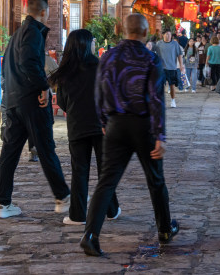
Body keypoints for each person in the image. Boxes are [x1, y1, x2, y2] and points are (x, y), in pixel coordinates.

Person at [80, 14, 178, 257]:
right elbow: (156, 100)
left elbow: (99, 91)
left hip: (115, 124)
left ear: (123, 31)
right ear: (146, 34)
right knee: (155, 180)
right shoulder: (150, 58)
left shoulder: (109, 57)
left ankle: (90, 236)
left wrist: (104, 120)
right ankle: (164, 230)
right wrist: (160, 135)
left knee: (106, 182)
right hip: (143, 125)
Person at [0, 0, 70, 219]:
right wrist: (43, 87)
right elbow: (28, 62)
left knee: (9, 152)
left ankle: (2, 203)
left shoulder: (17, 34)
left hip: (13, 101)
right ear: (44, 12)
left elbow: (9, 67)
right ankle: (62, 197)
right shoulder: (33, 33)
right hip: (30, 101)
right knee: (46, 148)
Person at [50, 29, 121, 226]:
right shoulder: (101, 67)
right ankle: (111, 210)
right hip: (102, 127)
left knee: (79, 172)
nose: (93, 44)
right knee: (105, 171)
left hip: (77, 127)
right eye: (92, 41)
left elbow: (62, 102)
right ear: (86, 44)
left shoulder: (65, 72)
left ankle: (78, 215)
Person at [154, 30, 184, 108]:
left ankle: (173, 100)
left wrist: (181, 65)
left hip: (172, 68)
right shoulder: (159, 44)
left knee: (172, 85)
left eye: (170, 34)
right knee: (160, 86)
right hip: (161, 68)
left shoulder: (175, 44)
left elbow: (179, 55)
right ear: (163, 35)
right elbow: (155, 54)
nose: (168, 36)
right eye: (167, 34)